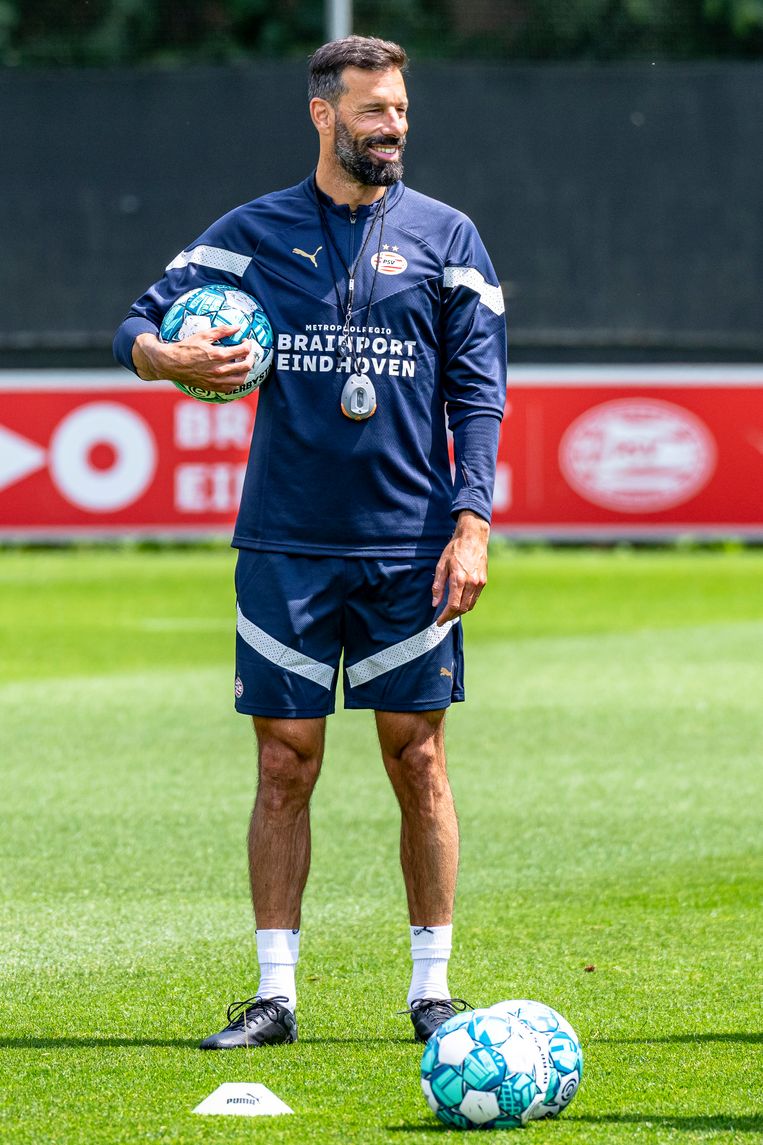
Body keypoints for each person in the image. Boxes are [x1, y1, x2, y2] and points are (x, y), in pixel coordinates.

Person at [113, 35, 507, 1050]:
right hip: (286, 544)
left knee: (417, 757)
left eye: (403, 111)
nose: (394, 128)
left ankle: (432, 990)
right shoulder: (252, 231)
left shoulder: (448, 237)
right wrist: (165, 355)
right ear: (323, 113)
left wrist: (471, 524)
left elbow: (480, 391)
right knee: (285, 764)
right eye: (374, 111)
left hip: (409, 546)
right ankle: (276, 993)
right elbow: (135, 326)